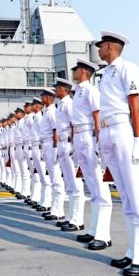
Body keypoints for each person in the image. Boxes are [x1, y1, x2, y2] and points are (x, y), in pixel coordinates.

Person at [96, 31, 139, 275]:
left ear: (110, 46)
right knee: (125, 197)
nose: (98, 49)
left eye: (101, 46)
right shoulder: (105, 73)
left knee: (135, 195)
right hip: (108, 131)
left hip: (123, 130)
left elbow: (134, 105)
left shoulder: (127, 68)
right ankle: (133, 252)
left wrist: (138, 139)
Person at [71, 58, 113, 251]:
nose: (74, 71)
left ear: (86, 72)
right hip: (80, 136)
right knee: (92, 187)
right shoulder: (78, 91)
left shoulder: (90, 90)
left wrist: (98, 140)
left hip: (89, 136)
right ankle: (95, 229)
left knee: (99, 187)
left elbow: (97, 115)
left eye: (77, 69)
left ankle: (103, 236)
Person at [54, 78, 86, 232]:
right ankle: (71, 217)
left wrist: (74, 146)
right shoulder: (60, 105)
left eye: (57, 88)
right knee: (69, 184)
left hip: (68, 144)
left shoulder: (69, 104)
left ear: (63, 89)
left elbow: (75, 125)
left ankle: (78, 220)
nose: (55, 90)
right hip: (61, 144)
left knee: (75, 184)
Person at [39, 88, 66, 220]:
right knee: (52, 178)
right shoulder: (47, 111)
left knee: (56, 178)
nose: (41, 97)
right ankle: (54, 208)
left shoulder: (52, 112)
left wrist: (56, 148)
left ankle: (58, 211)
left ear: (49, 97)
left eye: (42, 95)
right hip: (46, 144)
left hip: (51, 144)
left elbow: (56, 131)